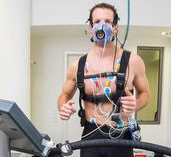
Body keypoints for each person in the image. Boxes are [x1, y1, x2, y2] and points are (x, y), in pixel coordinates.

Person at [57, 2, 150, 157]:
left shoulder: (133, 61)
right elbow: (64, 96)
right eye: (97, 22)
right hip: (91, 135)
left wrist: (136, 104)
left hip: (121, 134)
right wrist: (63, 107)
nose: (102, 26)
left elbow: (146, 93)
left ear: (115, 27)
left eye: (107, 22)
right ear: (91, 28)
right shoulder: (77, 65)